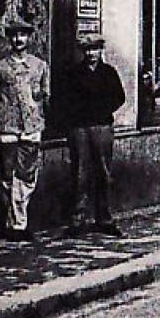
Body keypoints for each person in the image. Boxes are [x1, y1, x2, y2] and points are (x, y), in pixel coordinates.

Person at [53, 33, 126, 234]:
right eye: (87, 50)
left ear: (100, 50)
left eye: (95, 49)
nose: (91, 53)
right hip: (79, 128)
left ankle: (104, 217)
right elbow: (64, 99)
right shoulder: (73, 73)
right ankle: (78, 219)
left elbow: (119, 97)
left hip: (101, 126)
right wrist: (78, 112)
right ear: (82, 52)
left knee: (103, 172)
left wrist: (102, 110)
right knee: (80, 172)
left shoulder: (109, 73)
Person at [0, 19, 50, 242]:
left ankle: (20, 222)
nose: (18, 40)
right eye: (14, 35)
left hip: (31, 126)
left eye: (23, 35)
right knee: (7, 175)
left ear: (29, 37)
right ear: (9, 38)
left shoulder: (39, 66)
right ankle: (11, 223)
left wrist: (39, 117)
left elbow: (44, 95)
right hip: (7, 125)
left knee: (27, 175)